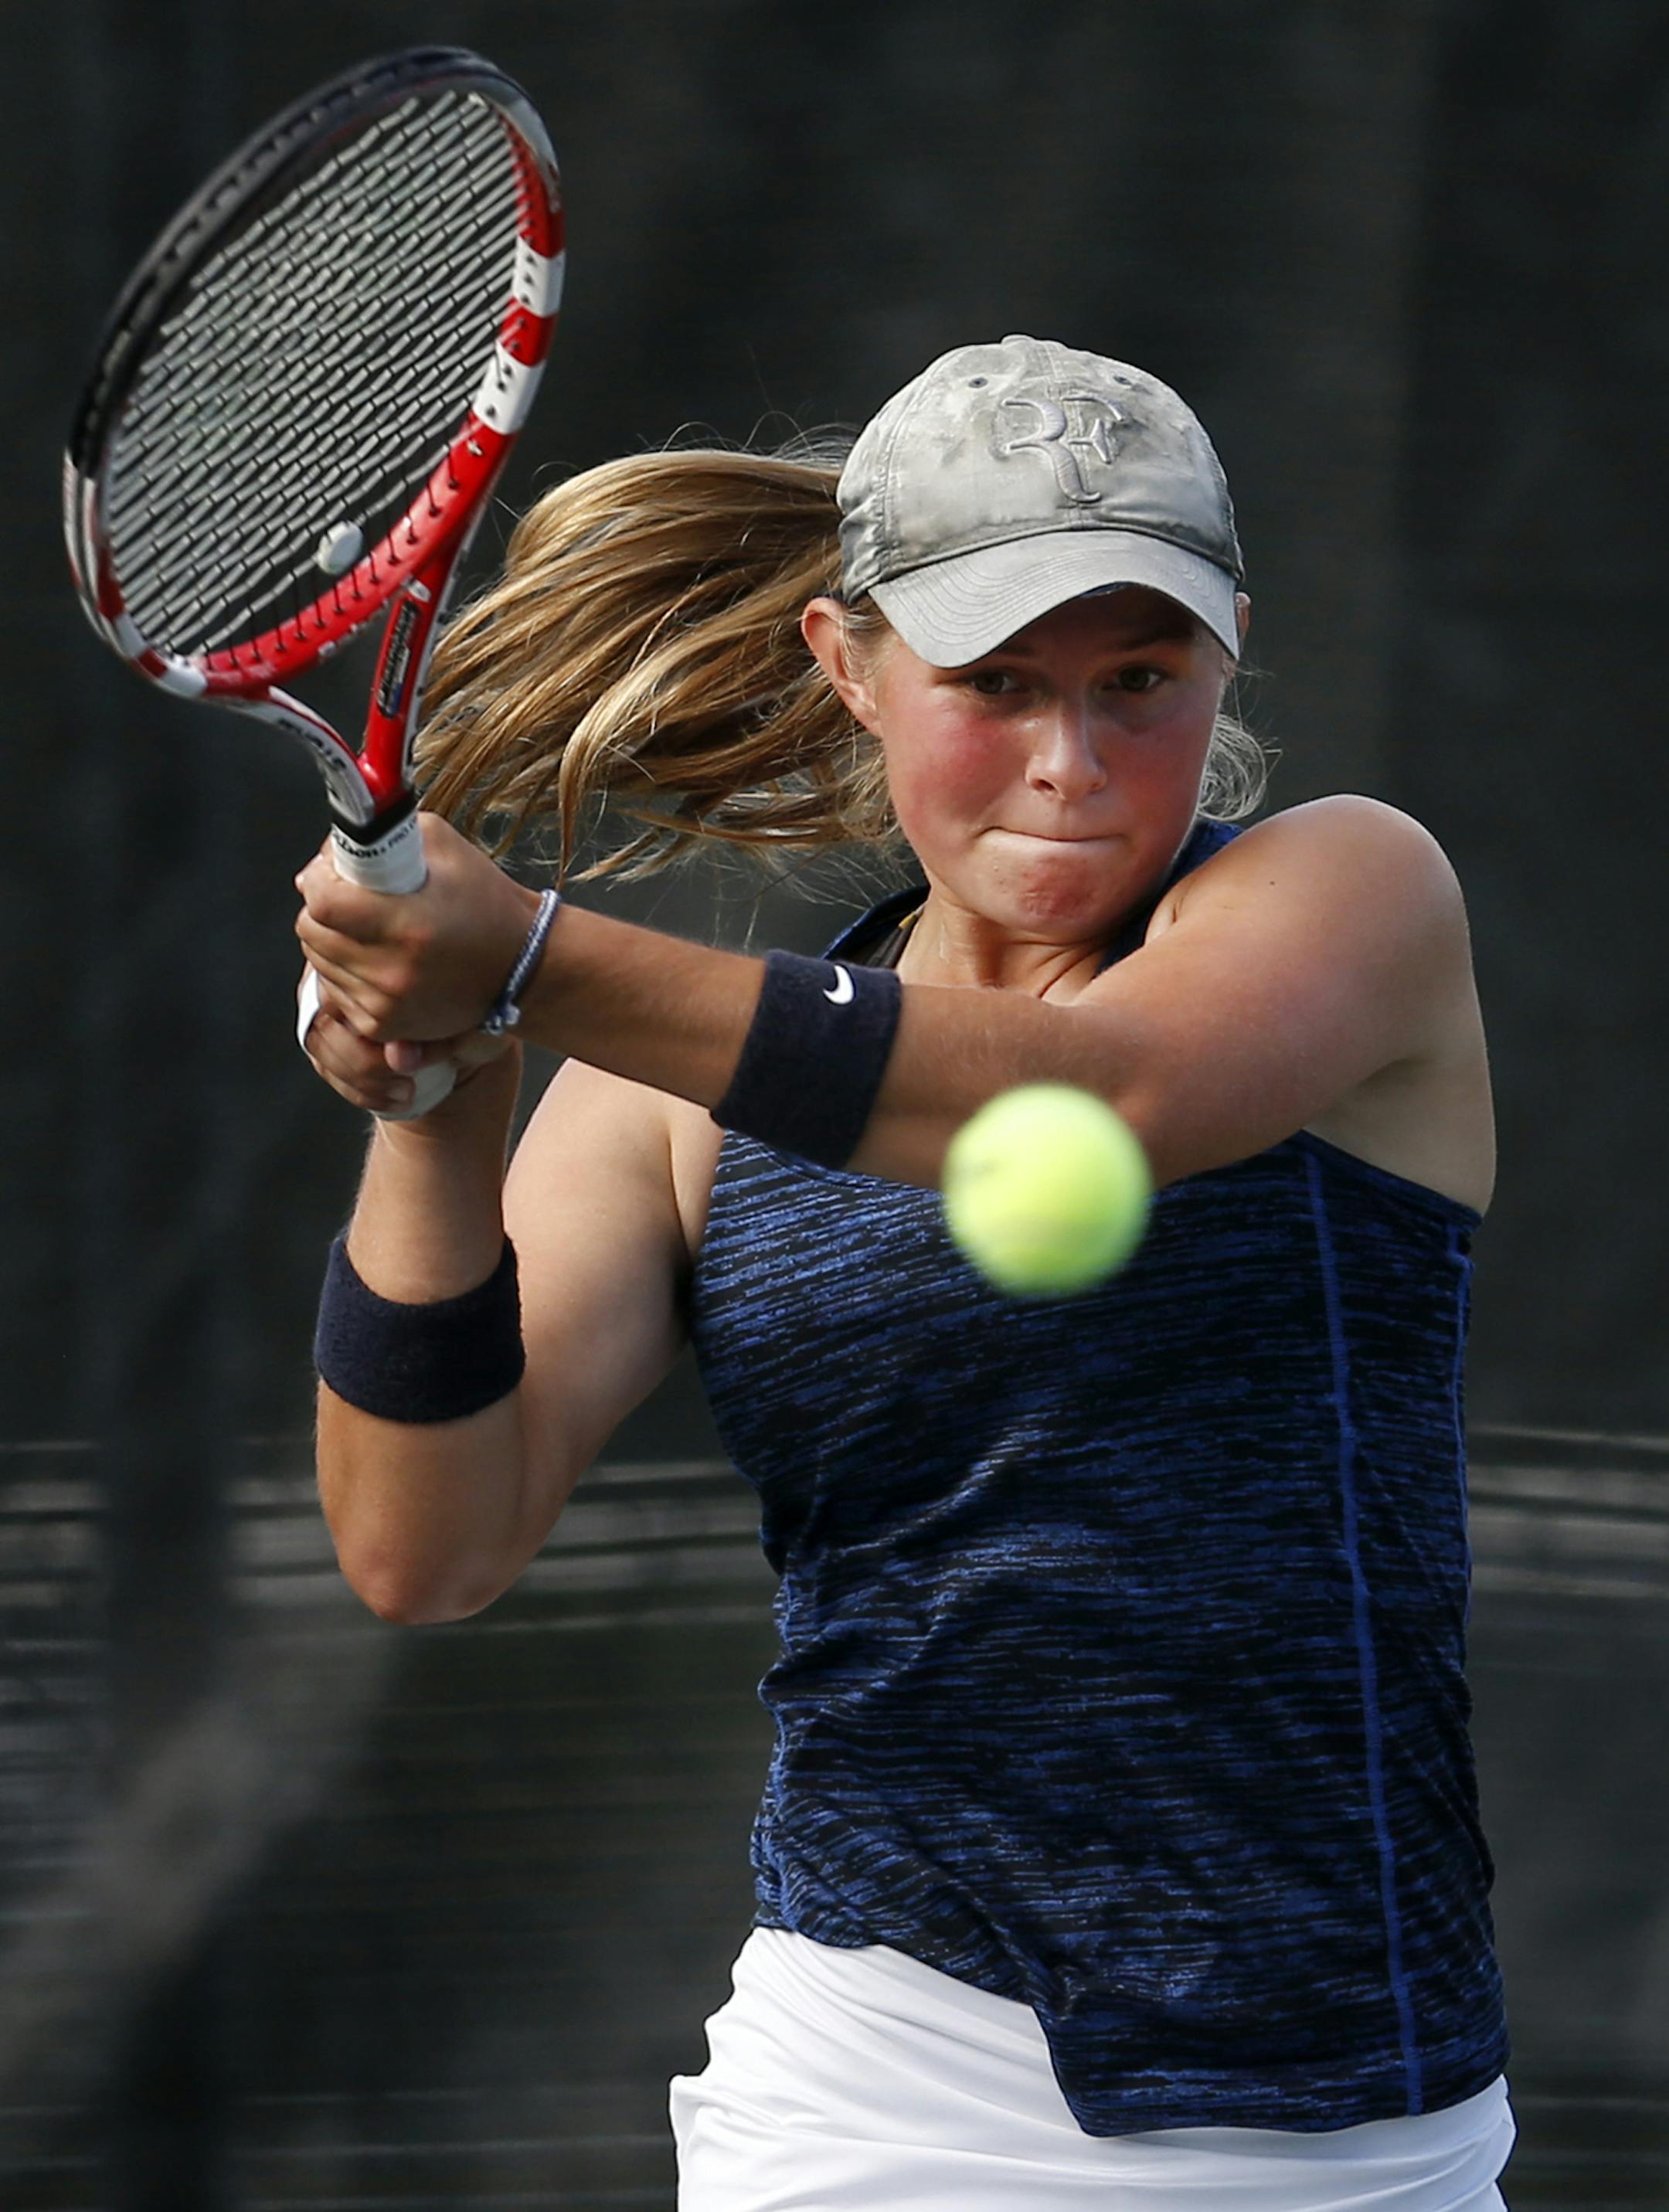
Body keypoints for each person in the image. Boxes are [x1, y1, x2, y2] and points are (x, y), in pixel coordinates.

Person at [296, 335, 1517, 2210]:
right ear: (848, 663)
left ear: (1231, 652)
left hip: (1349, 2120)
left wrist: (523, 952)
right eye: (997, 682)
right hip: (867, 2083)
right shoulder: (677, 1096)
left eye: (1140, 681)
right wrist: (436, 1109)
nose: (1071, 758)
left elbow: (1120, 1090)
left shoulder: (1351, 896)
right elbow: (423, 1541)